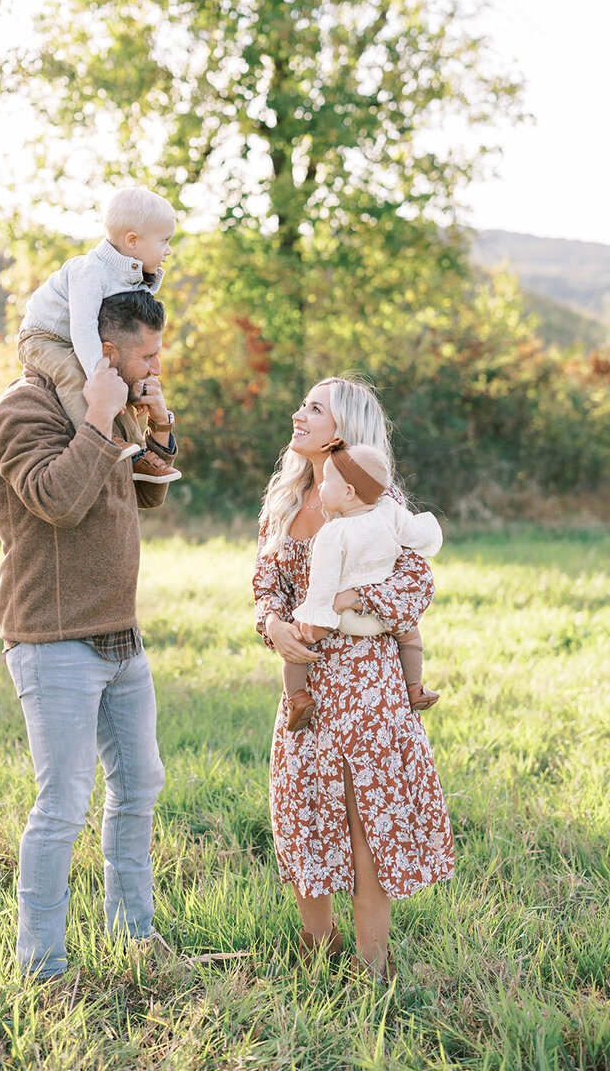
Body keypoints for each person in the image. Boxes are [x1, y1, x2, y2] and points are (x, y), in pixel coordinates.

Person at [0, 290, 177, 980]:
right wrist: (98, 416)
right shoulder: (22, 410)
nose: (157, 363)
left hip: (121, 632)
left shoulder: (113, 404)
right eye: (147, 354)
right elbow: (60, 502)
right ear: (105, 352)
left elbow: (143, 494)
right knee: (63, 803)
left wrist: (151, 429)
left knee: (139, 786)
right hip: (55, 636)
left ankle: (135, 935)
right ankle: (42, 968)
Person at [253, 375, 455, 981]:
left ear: (342, 430)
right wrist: (273, 625)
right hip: (308, 683)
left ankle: (374, 965)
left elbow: (418, 585)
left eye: (314, 408)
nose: (299, 414)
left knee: (365, 821)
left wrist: (350, 601)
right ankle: (318, 948)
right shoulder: (287, 502)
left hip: (368, 683)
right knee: (304, 813)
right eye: (302, 404)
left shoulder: (378, 503)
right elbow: (267, 587)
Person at [17, 185, 181, 484]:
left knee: (121, 380)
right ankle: (98, 432)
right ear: (132, 241)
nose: (168, 250)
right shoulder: (89, 271)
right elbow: (82, 329)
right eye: (164, 241)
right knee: (74, 374)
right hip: (44, 336)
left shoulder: (129, 275)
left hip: (83, 339)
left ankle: (138, 453)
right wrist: (99, 377)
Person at [282, 439, 443, 733]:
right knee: (410, 637)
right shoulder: (389, 512)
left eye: (327, 481)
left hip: (344, 618)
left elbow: (322, 583)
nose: (321, 486)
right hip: (380, 614)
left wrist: (315, 618)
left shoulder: (333, 533)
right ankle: (414, 687)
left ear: (348, 492)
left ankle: (297, 698)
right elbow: (413, 533)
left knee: (296, 642)